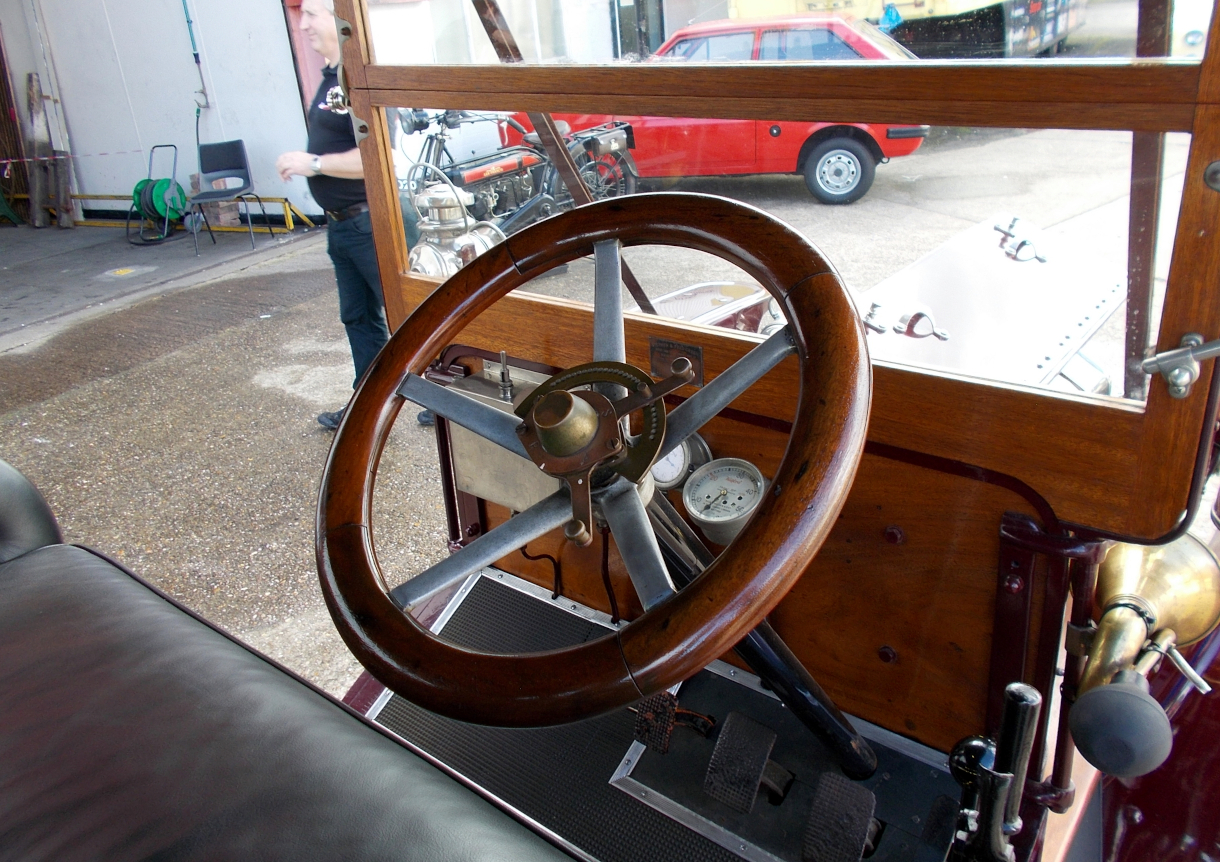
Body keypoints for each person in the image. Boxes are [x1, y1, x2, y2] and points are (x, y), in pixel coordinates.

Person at [276, 0, 389, 431]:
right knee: (358, 317)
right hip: (341, 225)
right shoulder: (330, 80)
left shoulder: (358, 79)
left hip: (368, 223)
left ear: (337, 19)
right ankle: (368, 410)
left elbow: (377, 157)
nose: (302, 24)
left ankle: (445, 402)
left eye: (310, 14)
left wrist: (315, 165)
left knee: (405, 316)